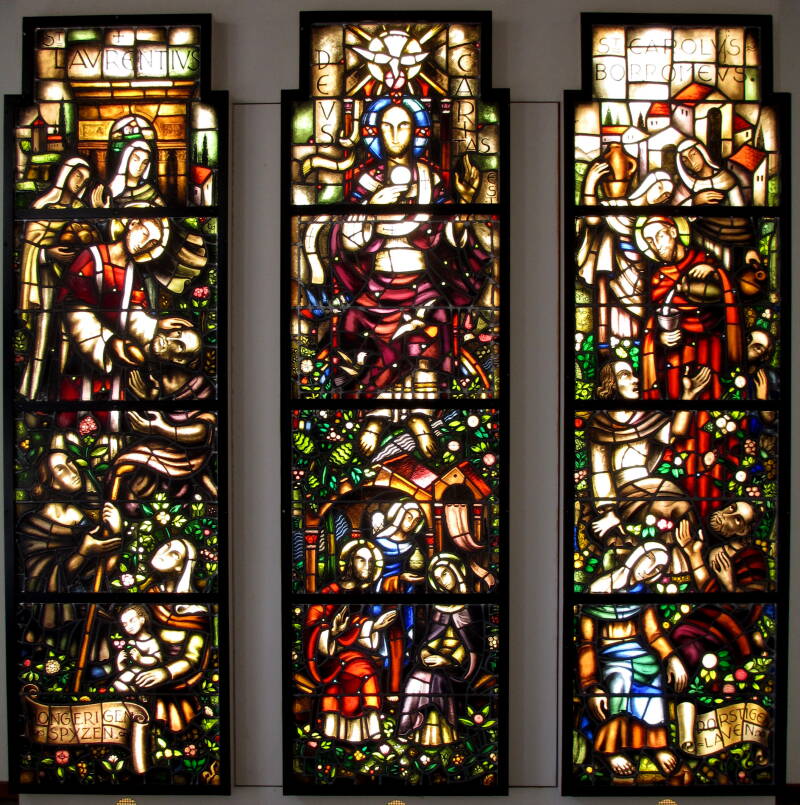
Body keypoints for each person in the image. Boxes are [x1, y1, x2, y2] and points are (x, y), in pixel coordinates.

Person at [304, 96, 492, 397]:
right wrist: (372, 208)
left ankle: (423, 406)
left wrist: (466, 204)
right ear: (376, 132)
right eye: (387, 126)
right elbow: (347, 241)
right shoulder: (367, 181)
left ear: (415, 132)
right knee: (351, 328)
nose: (394, 134)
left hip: (423, 286)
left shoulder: (429, 179)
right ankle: (372, 408)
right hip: (375, 286)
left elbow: (449, 239)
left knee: (432, 327)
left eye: (403, 126)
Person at [588, 359, 710, 566]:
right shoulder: (600, 425)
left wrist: (688, 396)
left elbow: (676, 432)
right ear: (611, 384)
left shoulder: (648, 418)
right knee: (665, 511)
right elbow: (600, 471)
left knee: (682, 508)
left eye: (634, 374)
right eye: (625, 375)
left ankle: (684, 565)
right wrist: (609, 512)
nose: (635, 380)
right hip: (624, 494)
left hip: (652, 484)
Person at [57, 217, 170, 415]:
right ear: (132, 224)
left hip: (117, 362)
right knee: (72, 416)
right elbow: (73, 307)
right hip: (80, 358)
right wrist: (107, 342)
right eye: (144, 234)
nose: (143, 244)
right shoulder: (91, 256)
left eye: (152, 243)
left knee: (112, 416)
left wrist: (156, 326)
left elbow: (134, 312)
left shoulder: (132, 271)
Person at [18, 157, 104, 399]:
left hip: (73, 281)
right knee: (43, 335)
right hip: (46, 279)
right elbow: (29, 248)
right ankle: (32, 392)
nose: (80, 182)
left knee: (70, 336)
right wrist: (48, 253)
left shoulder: (81, 210)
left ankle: (63, 395)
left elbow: (95, 243)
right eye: (77, 175)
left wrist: (99, 213)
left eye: (85, 179)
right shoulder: (43, 208)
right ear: (65, 174)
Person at [577, 601, 689, 780]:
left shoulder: (640, 596)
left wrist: (671, 657)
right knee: (619, 681)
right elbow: (587, 644)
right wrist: (591, 685)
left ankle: (656, 745)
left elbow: (654, 634)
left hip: (640, 655)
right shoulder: (593, 603)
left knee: (655, 677)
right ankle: (610, 749)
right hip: (610, 658)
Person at [639, 216, 743, 400]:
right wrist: (660, 338)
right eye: (649, 241)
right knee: (675, 396)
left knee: (712, 397)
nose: (656, 245)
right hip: (675, 355)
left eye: (660, 236)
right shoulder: (658, 278)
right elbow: (652, 322)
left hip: (710, 346)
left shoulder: (704, 261)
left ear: (674, 232)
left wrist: (716, 273)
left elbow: (727, 302)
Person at [578, 168, 674, 349]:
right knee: (618, 319)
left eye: (667, 194)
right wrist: (590, 183)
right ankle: (613, 347)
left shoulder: (659, 219)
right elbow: (592, 219)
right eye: (660, 187)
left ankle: (639, 349)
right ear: (648, 185)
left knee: (642, 320)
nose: (662, 195)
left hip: (646, 279)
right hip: (617, 276)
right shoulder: (616, 207)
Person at [398, 554, 478, 746]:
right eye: (437, 578)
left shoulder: (470, 607)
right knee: (417, 677)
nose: (442, 581)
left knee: (436, 679)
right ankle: (410, 729)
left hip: (461, 667)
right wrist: (426, 654)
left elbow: (473, 645)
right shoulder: (439, 608)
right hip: (437, 660)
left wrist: (449, 661)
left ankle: (450, 731)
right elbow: (430, 639)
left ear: (456, 573)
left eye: (445, 574)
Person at [135, 538, 211, 732]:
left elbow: (192, 658)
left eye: (174, 554)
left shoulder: (195, 611)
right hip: (139, 672)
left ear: (181, 567)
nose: (163, 553)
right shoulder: (148, 595)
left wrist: (165, 672)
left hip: (174, 688)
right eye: (166, 546)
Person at [304, 598, 398, 742]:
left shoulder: (358, 608)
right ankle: (330, 734)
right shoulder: (321, 605)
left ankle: (370, 732)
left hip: (358, 661)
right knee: (336, 687)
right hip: (330, 665)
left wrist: (374, 627)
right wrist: (334, 631)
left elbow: (361, 630)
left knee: (367, 672)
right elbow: (316, 642)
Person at [674, 139, 744, 206]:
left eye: (693, 154)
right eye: (684, 160)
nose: (691, 162)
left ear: (702, 152)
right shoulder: (686, 184)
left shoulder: (726, 178)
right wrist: (694, 201)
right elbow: (675, 211)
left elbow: (739, 208)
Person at [113, 604, 162, 693]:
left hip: (147, 674)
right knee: (118, 684)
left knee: (121, 684)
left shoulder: (151, 641)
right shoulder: (131, 643)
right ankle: (135, 694)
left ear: (142, 619)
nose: (129, 626)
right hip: (132, 674)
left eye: (132, 621)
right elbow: (127, 667)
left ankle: (137, 694)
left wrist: (141, 659)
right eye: (125, 624)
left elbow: (157, 660)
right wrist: (119, 663)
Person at [107, 139, 164, 206]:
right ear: (127, 159)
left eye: (144, 163)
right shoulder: (112, 190)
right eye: (135, 160)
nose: (139, 166)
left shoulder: (150, 191)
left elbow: (162, 209)